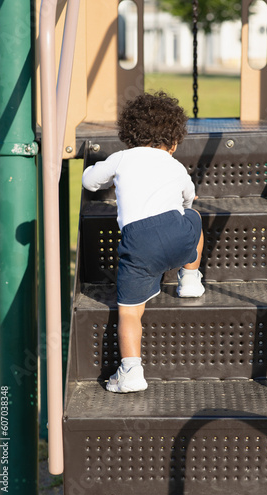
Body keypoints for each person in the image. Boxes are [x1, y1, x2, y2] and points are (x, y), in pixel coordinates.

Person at [82, 91, 204, 393]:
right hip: (178, 234)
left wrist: (99, 175)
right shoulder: (175, 165)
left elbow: (90, 181)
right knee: (195, 219)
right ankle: (189, 278)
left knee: (129, 312)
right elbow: (189, 198)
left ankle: (131, 370)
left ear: (130, 135)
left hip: (139, 244)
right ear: (174, 142)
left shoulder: (121, 158)